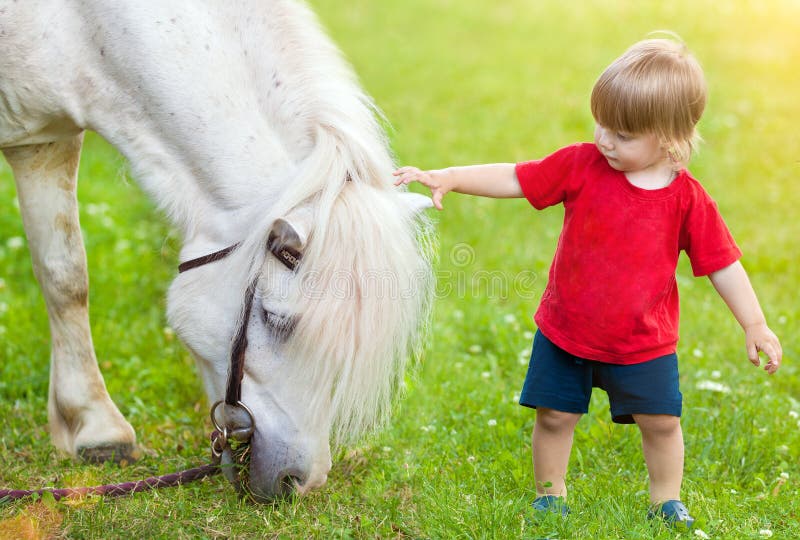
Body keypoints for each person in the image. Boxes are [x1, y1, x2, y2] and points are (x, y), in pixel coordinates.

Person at [393, 36, 782, 528]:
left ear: (670, 138)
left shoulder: (687, 199)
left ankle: (666, 498)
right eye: (601, 123)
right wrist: (448, 175)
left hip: (644, 344)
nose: (604, 140)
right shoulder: (582, 165)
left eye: (622, 134)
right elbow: (517, 177)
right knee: (553, 417)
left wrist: (754, 323)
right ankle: (550, 496)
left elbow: (723, 263)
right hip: (566, 330)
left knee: (662, 424)